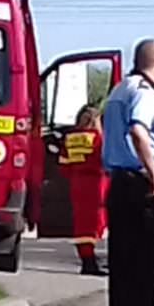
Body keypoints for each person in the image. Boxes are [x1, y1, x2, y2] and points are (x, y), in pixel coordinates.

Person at [101, 39, 154, 306]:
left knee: (122, 269)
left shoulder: (119, 90)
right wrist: (152, 171)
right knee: (144, 270)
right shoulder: (145, 93)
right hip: (140, 185)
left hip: (117, 183)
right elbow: (139, 131)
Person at [59, 105, 108, 276]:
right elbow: (106, 159)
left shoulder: (69, 138)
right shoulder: (98, 138)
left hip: (77, 183)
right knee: (98, 221)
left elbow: (64, 165)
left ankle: (87, 259)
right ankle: (93, 261)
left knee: (82, 223)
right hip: (97, 182)